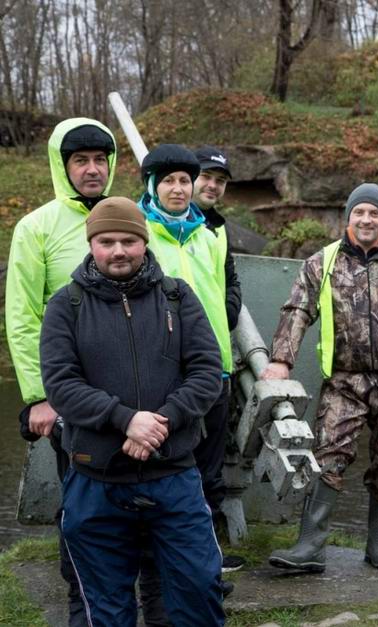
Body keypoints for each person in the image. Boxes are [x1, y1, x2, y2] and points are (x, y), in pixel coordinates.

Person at [39, 197, 225, 626]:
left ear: (144, 242)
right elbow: (62, 385)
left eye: (128, 240)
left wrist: (160, 424)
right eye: (106, 241)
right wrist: (126, 419)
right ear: (92, 244)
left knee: (198, 589)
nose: (118, 250)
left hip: (174, 475)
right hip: (95, 480)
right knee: (104, 608)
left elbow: (205, 371)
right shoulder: (65, 307)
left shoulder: (178, 297)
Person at [260, 182, 378, 572]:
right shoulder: (321, 262)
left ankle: (377, 544)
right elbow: (297, 310)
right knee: (328, 456)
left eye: (373, 213)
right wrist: (281, 360)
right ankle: (310, 547)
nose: (366, 219)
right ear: (348, 217)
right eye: (359, 212)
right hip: (344, 380)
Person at [5, 117, 117, 626]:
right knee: (82, 500)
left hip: (132, 391)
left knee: (136, 493)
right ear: (63, 165)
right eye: (81, 161)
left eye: (100, 160)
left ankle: (126, 588)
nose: (92, 170)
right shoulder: (37, 227)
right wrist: (39, 396)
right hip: (69, 393)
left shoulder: (129, 218)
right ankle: (82, 596)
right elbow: (22, 317)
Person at [135, 144, 236, 601]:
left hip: (215, 373)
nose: (179, 189)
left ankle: (204, 570)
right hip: (163, 375)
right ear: (154, 186)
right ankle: (156, 573)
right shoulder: (139, 233)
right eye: (169, 181)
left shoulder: (210, 236)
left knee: (206, 473)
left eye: (185, 181)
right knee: (165, 474)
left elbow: (220, 296)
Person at [192, 145, 245, 572]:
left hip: (217, 364)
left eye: (220, 181)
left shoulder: (219, 229)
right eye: (205, 177)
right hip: (174, 367)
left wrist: (223, 311)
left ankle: (208, 555)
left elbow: (230, 282)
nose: (212, 185)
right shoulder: (157, 225)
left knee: (209, 468)